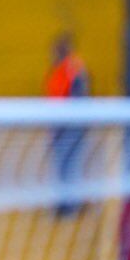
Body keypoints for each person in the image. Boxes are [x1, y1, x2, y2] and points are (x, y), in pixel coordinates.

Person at [44, 33, 89, 216]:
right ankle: (63, 202)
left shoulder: (74, 70)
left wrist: (70, 122)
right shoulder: (58, 70)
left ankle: (71, 204)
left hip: (70, 127)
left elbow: (79, 98)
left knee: (70, 165)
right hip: (58, 125)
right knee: (61, 165)